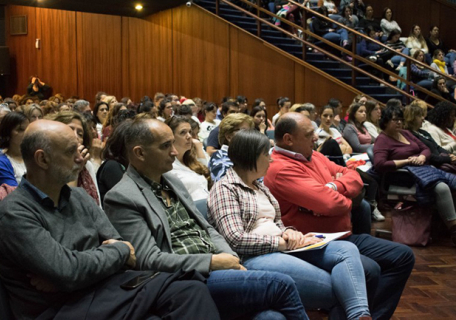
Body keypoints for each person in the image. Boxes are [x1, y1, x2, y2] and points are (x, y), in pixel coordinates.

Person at [0, 119, 218, 320]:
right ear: (42, 159)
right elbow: (69, 271)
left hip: (102, 292)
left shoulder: (79, 197)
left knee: (190, 288)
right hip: (60, 309)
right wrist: (107, 256)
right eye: (72, 151)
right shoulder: (15, 213)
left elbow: (127, 252)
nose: (81, 157)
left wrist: (78, 268)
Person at [103, 118, 310, 320]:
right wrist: (213, 262)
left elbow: (207, 229)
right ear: (140, 153)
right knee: (281, 285)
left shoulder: (172, 181)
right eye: (166, 146)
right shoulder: (123, 197)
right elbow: (149, 260)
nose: (174, 152)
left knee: (271, 316)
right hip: (186, 279)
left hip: (217, 266)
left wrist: (231, 259)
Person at [265, 112, 415, 320]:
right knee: (369, 269)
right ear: (289, 139)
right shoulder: (280, 168)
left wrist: (335, 185)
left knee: (402, 256)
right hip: (312, 242)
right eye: (309, 134)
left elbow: (354, 176)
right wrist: (346, 200)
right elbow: (330, 203)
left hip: (341, 235)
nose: (316, 138)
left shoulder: (312, 155)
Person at [209, 130, 372, 320]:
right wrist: (281, 242)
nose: (270, 161)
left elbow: (277, 222)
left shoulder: (259, 186)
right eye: (266, 155)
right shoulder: (225, 189)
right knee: (339, 289)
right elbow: (235, 240)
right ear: (251, 156)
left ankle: (360, 314)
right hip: (253, 256)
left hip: (283, 248)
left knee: (346, 249)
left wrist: (290, 233)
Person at [373, 106, 456, 243]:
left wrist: (422, 157)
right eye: (395, 120)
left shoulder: (406, 133)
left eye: (400, 119)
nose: (399, 122)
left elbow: (425, 149)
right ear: (386, 122)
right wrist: (407, 160)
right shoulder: (382, 139)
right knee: (441, 187)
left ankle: (445, 227)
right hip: (403, 177)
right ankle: (454, 230)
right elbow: (380, 164)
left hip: (424, 169)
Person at [46, 111, 101, 206]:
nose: (75, 136)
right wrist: (75, 166)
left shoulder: (87, 165)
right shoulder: (48, 163)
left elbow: (98, 206)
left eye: (80, 134)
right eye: (70, 130)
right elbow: (67, 205)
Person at [166, 116, 211, 201]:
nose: (189, 136)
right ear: (171, 137)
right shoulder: (168, 166)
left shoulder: (190, 160)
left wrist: (198, 148)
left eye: (190, 132)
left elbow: (206, 172)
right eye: (183, 132)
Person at [404, 101, 456, 170]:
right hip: (434, 165)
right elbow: (429, 155)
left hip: (443, 160)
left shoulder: (424, 132)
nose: (423, 118)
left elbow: (437, 147)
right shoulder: (409, 134)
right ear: (412, 118)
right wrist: (448, 158)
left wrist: (450, 155)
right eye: (419, 116)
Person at [208, 113, 254, 182]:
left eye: (250, 131)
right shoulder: (219, 157)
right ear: (229, 137)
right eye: (244, 131)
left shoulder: (247, 156)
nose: (250, 135)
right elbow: (224, 187)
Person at [0, 112, 28, 186]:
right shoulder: (2, 163)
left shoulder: (34, 155)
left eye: (28, 129)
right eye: (20, 129)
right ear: (7, 132)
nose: (26, 133)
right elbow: (13, 193)